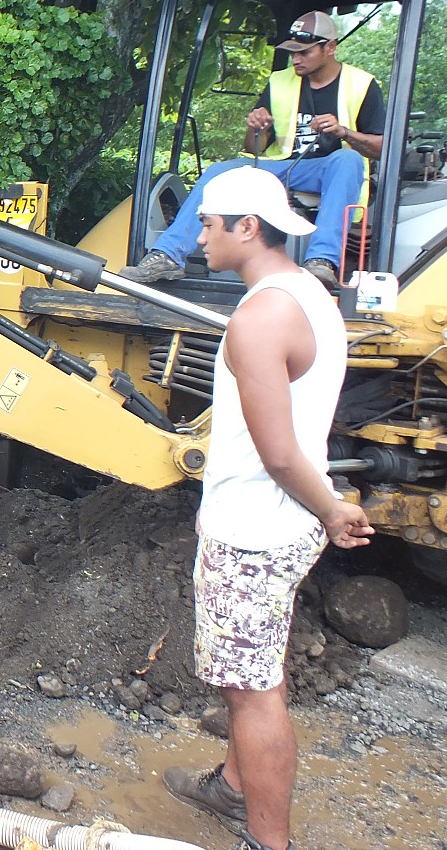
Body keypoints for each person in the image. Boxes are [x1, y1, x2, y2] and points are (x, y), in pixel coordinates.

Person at [161, 166, 372, 850]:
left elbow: (279, 455)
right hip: (283, 524)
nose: (199, 236)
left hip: (255, 529)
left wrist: (335, 510)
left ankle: (267, 841)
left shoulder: (257, 320)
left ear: (246, 227)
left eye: (208, 223)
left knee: (254, 693)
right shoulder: (309, 294)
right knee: (254, 670)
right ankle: (230, 788)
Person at [120, 11, 385, 290]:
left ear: (330, 47)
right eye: (292, 52)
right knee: (220, 171)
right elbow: (252, 148)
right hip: (281, 167)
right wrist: (257, 127)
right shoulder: (280, 82)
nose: (296, 59)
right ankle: (167, 256)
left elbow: (380, 149)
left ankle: (321, 262)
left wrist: (344, 132)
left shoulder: (362, 85)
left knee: (348, 158)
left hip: (327, 170)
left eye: (304, 52)